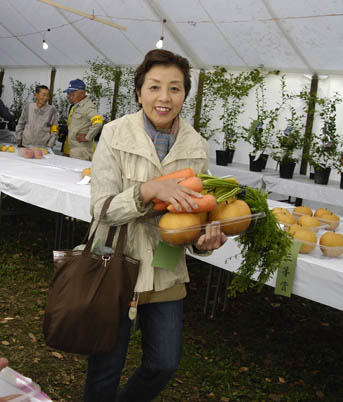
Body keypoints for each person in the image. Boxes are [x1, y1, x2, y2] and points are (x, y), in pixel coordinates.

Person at [84, 49, 227, 402]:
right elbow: (101, 209)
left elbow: (192, 216)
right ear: (139, 92)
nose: (164, 98)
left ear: (185, 95)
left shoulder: (197, 146)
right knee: (106, 364)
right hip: (116, 261)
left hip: (165, 264)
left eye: (175, 89)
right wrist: (147, 191)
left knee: (164, 363)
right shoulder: (115, 135)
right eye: (154, 87)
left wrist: (199, 241)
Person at [62, 79, 103, 160]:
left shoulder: (88, 107)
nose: (69, 96)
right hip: (75, 148)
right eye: (68, 94)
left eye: (72, 94)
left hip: (81, 151)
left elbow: (98, 122)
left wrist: (87, 137)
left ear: (82, 93)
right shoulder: (76, 106)